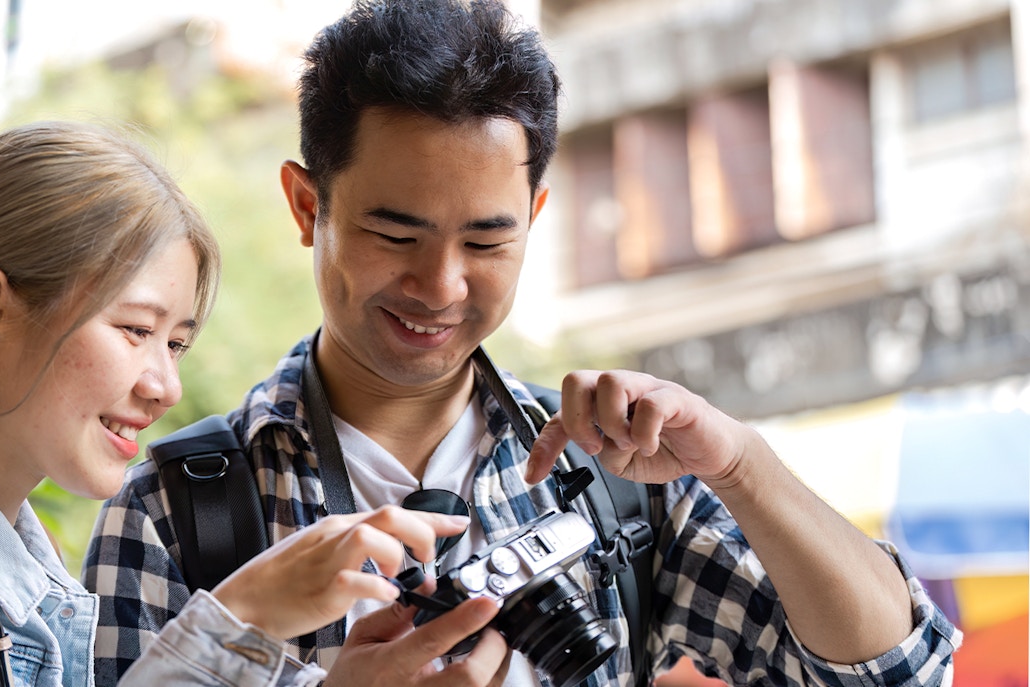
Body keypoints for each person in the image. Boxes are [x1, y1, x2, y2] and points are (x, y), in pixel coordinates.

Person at [85, 1, 963, 685]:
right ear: (308, 206)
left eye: (485, 241)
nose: (441, 285)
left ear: (535, 219)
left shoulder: (617, 482)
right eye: (397, 234)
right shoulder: (177, 511)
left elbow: (899, 670)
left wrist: (738, 464)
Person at [0, 120, 478, 687]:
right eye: (135, 329)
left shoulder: (26, 585)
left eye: (177, 343)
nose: (166, 386)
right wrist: (236, 619)